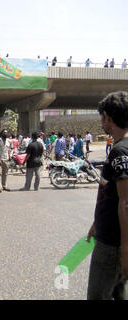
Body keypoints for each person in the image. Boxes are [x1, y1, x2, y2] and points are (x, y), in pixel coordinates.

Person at [85, 91, 128, 300]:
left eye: (102, 117)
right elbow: (110, 195)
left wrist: (125, 248)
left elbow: (126, 202)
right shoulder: (121, 148)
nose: (102, 122)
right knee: (118, 293)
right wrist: (96, 223)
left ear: (108, 118)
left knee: (98, 296)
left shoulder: (120, 151)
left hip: (112, 244)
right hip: (113, 238)